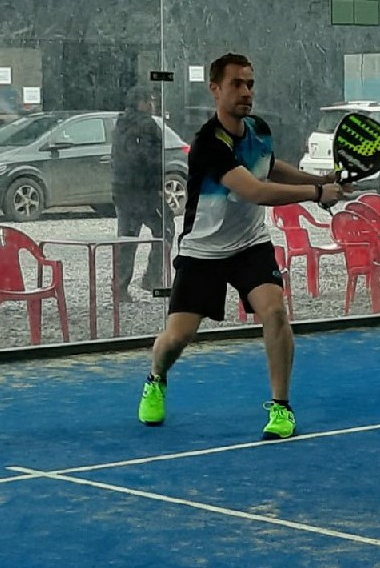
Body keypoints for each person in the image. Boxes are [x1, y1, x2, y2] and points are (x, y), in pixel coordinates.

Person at [137, 53, 346, 439]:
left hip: (251, 244)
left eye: (250, 84)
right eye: (236, 84)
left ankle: (281, 407)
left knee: (275, 312)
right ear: (215, 89)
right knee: (177, 337)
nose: (246, 92)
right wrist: (317, 194)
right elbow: (255, 190)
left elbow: (269, 166)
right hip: (202, 251)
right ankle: (156, 379)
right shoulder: (207, 144)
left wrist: (320, 179)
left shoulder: (259, 129)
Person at [111, 86, 174, 302]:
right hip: (144, 191)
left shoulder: (121, 123)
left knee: (127, 238)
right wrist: (158, 183)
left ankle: (120, 286)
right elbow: (150, 159)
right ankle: (153, 277)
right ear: (141, 103)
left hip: (123, 189)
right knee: (165, 228)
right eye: (150, 100)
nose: (153, 104)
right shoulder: (148, 126)